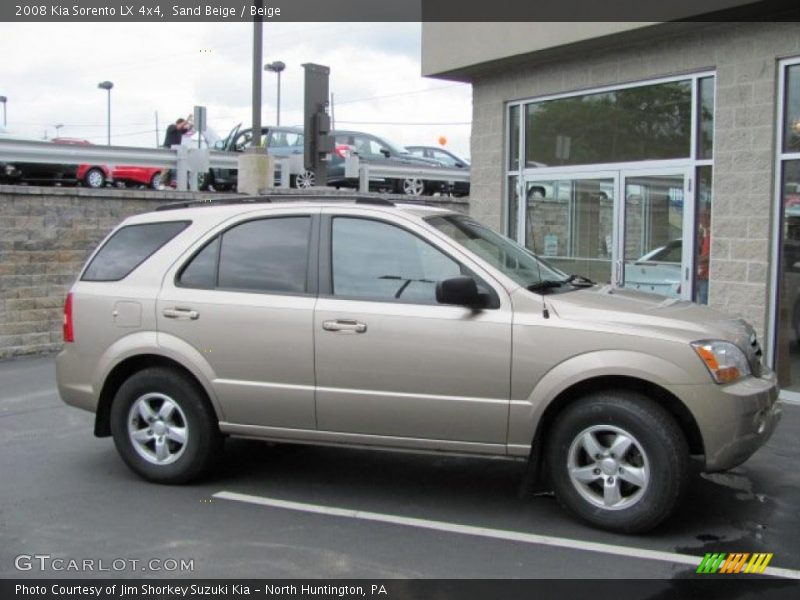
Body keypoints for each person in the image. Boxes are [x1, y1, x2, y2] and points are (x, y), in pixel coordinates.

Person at [158, 117, 193, 189]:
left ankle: (168, 184)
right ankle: (161, 183)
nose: (184, 127)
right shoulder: (171, 127)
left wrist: (190, 122)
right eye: (183, 125)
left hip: (175, 150)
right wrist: (187, 120)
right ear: (180, 123)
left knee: (173, 168)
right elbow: (178, 127)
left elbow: (189, 129)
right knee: (166, 167)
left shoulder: (180, 131)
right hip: (168, 149)